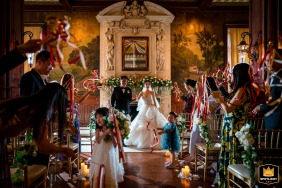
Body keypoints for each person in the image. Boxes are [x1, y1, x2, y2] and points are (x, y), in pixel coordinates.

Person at [0, 83, 76, 187]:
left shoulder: (31, 105)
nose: (58, 110)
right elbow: (43, 146)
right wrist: (64, 150)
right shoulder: (38, 111)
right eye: (60, 105)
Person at [211, 63, 254, 188]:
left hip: (234, 129)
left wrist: (219, 100)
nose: (232, 78)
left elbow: (228, 109)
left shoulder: (242, 90)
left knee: (233, 155)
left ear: (238, 75)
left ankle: (233, 182)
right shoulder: (245, 89)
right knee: (232, 154)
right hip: (233, 127)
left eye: (234, 75)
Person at [19, 49, 53, 167]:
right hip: (34, 127)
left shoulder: (41, 79)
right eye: (49, 64)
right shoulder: (28, 78)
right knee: (35, 161)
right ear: (39, 63)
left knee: (43, 158)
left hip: (42, 125)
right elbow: (26, 102)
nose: (51, 67)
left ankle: (40, 180)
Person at [124, 80, 168, 149]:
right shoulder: (141, 93)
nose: (147, 85)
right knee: (141, 123)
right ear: (144, 85)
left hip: (151, 108)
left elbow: (154, 100)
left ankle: (154, 141)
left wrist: (156, 109)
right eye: (146, 84)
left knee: (153, 123)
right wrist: (134, 98)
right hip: (144, 108)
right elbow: (137, 99)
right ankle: (141, 141)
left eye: (148, 84)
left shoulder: (152, 92)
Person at [89, 107, 124, 188]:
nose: (98, 119)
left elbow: (115, 145)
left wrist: (112, 135)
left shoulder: (111, 128)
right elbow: (97, 140)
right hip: (99, 152)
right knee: (99, 168)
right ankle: (98, 183)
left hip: (109, 153)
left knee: (109, 167)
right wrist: (105, 133)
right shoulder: (98, 129)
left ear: (106, 117)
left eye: (100, 116)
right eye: (97, 117)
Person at [252, 59, 282, 130]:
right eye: (266, 60)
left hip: (277, 121)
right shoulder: (272, 76)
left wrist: (261, 107)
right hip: (270, 120)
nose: (268, 62)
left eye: (271, 59)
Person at [111, 76, 133, 146]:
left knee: (125, 125)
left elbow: (129, 100)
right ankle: (117, 140)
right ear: (120, 81)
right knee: (118, 125)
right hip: (118, 108)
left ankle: (123, 141)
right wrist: (112, 106)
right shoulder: (116, 88)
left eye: (125, 81)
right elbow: (112, 98)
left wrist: (134, 99)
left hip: (126, 109)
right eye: (123, 81)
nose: (124, 82)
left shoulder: (129, 89)